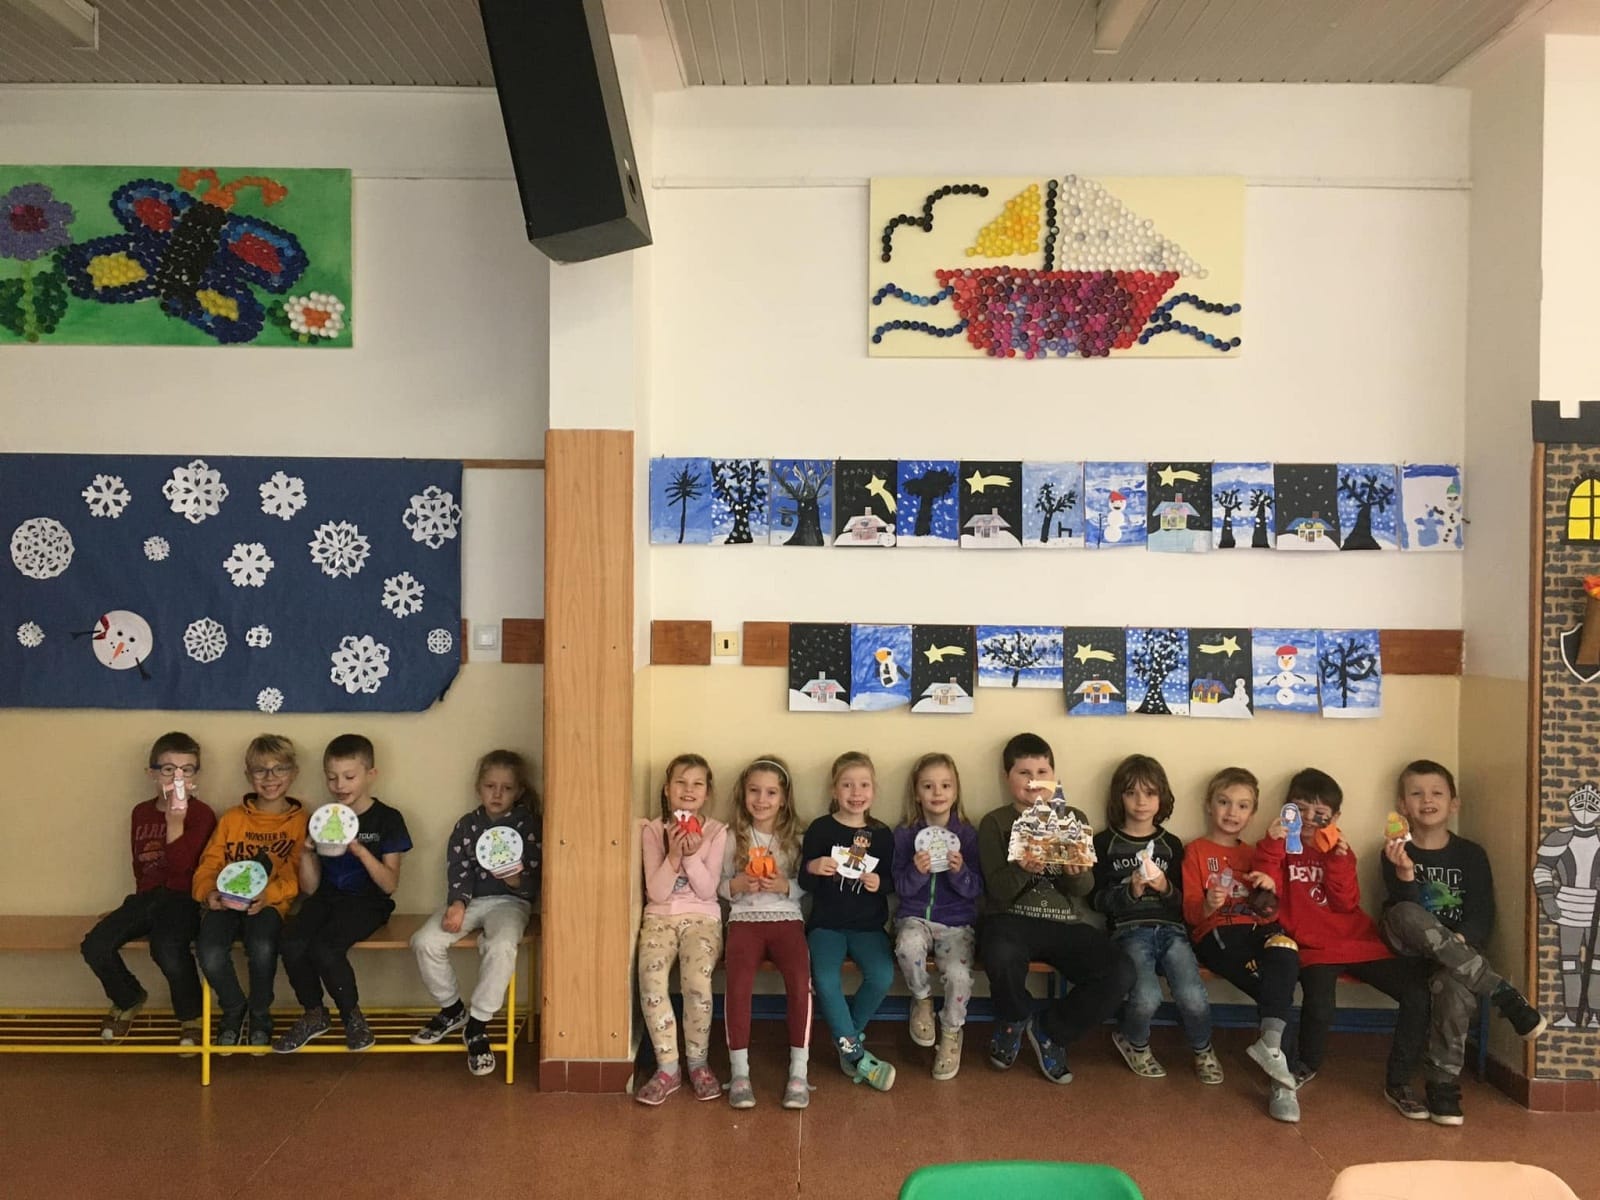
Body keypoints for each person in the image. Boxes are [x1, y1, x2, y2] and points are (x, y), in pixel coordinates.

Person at [1253, 767, 1433, 1119]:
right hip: (1312, 947)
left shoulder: (1339, 852)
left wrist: (1337, 861)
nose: (1309, 819)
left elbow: (1346, 903)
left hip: (1356, 940)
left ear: (1334, 818)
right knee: (1320, 1002)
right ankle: (1306, 1063)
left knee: (1417, 992)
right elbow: (1267, 891)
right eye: (1299, 810)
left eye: (1320, 814)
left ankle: (1398, 1081)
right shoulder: (1278, 848)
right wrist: (1273, 844)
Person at [1378, 759, 1547, 1124]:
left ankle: (1442, 1085)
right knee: (1405, 912)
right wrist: (1405, 872)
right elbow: (1404, 906)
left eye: (1437, 793)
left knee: (1455, 986)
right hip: (1407, 945)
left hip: (1456, 952)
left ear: (1454, 804)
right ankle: (1502, 992)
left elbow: (1482, 913)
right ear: (1403, 805)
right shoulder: (1394, 850)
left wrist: (1458, 940)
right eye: (1416, 793)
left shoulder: (1471, 854)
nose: (1427, 800)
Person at [978, 732, 1134, 1084]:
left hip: (1065, 923)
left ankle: (1050, 1030)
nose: (1033, 781)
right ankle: (1014, 1018)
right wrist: (1022, 868)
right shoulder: (996, 822)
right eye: (1023, 773)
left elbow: (1084, 889)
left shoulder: (1072, 817)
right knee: (999, 952)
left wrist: (1074, 873)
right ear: (1007, 777)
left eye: (1042, 772)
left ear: (1054, 776)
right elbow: (996, 893)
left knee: (1120, 970)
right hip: (1011, 921)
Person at [274, 734, 411, 1054]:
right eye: (332, 777)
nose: (339, 785)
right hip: (326, 899)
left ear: (370, 775)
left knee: (325, 948)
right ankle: (314, 1013)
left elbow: (389, 884)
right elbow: (310, 888)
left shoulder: (387, 819)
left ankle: (352, 1018)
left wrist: (359, 850)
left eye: (349, 777)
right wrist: (306, 853)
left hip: (368, 902)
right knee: (291, 941)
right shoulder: (322, 819)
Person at [409, 750, 541, 1077]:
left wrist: (517, 880)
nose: (497, 794)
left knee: (501, 946)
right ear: (478, 787)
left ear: (518, 791)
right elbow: (458, 869)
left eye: (506, 788)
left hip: (510, 903)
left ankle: (478, 1023)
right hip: (470, 901)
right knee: (425, 941)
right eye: (490, 786)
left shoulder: (528, 825)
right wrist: (457, 903)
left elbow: (535, 880)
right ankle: (453, 1009)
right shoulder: (468, 825)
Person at [1182, 767, 1303, 1122]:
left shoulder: (1255, 853)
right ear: (1209, 805)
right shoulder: (1196, 851)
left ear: (1253, 812)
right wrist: (1209, 904)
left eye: (1242, 805)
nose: (1232, 812)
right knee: (1277, 993)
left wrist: (1269, 888)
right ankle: (1284, 1085)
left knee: (1286, 951)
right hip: (1218, 931)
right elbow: (1191, 914)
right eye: (1224, 802)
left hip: (1258, 929)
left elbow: (1272, 909)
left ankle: (1270, 1048)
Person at [82, 731, 216, 1048]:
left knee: (167, 947)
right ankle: (128, 997)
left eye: (186, 770)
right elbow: (140, 863)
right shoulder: (141, 812)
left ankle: (191, 1017)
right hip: (146, 897)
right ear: (152, 774)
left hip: (183, 899)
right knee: (95, 944)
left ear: (196, 777)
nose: (177, 778)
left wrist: (175, 822)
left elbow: (182, 867)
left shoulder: (202, 814)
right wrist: (129, 913)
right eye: (168, 769)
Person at [1093, 754, 1221, 1085]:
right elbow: (1096, 901)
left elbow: (1184, 904)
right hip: (1128, 932)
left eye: (1150, 793)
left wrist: (1164, 887)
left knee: (1192, 996)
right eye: (1131, 793)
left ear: (1162, 797)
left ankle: (1203, 1049)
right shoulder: (1104, 843)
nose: (1141, 802)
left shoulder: (1170, 845)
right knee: (1147, 997)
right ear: (1118, 797)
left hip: (1172, 931)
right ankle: (1133, 1042)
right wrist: (1130, 892)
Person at [192, 734, 308, 1048]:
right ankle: (233, 1009)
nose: (270, 778)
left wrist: (270, 895)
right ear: (248, 775)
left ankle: (260, 1013)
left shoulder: (301, 822)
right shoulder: (232, 819)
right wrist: (208, 894)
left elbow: (300, 876)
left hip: (268, 906)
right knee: (209, 950)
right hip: (224, 903)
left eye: (279, 769)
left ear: (294, 773)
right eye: (260, 770)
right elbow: (209, 864)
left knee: (262, 946)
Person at [800, 751, 897, 1091]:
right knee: (825, 979)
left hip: (868, 927)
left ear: (874, 789)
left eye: (864, 785)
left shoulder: (882, 834)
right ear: (834, 790)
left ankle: (846, 1039)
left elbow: (893, 881)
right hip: (826, 925)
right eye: (847, 785)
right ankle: (854, 1054)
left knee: (882, 975)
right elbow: (804, 881)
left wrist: (880, 883)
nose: (856, 793)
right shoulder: (821, 828)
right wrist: (813, 867)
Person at [634, 753, 727, 1106]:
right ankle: (668, 1067)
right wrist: (673, 854)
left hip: (703, 918)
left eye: (697, 784)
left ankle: (698, 1063)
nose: (688, 790)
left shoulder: (716, 832)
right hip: (659, 917)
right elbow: (656, 893)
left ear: (707, 792)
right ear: (666, 789)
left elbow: (707, 890)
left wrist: (690, 854)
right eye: (680, 783)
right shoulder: (652, 830)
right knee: (651, 979)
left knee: (697, 981)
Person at [720, 755, 811, 1110]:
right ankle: (739, 1073)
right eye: (754, 791)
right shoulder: (732, 837)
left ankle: (799, 1072)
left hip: (787, 920)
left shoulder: (797, 838)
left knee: (800, 981)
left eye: (771, 792)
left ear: (784, 798)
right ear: (743, 794)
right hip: (744, 921)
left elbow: (808, 885)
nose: (762, 799)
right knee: (738, 983)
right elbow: (718, 885)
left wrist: (785, 886)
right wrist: (737, 885)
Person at [892, 752, 982, 1080]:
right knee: (907, 945)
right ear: (917, 793)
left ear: (956, 791)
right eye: (928, 786)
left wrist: (960, 873)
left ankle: (952, 1033)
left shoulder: (968, 835)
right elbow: (900, 887)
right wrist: (916, 872)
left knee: (959, 976)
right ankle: (922, 1000)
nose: (937, 792)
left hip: (956, 923)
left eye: (945, 785)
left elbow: (975, 889)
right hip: (914, 917)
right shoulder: (905, 834)